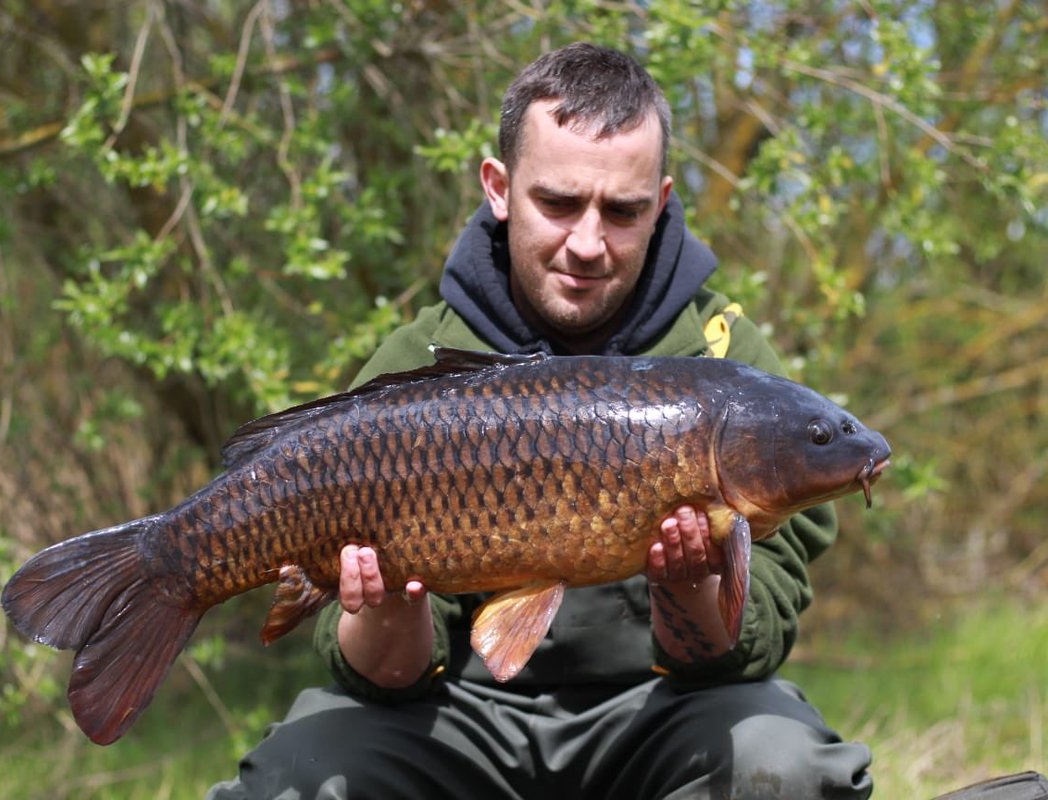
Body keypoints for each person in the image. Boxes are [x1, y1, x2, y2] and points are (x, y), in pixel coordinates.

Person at [208, 42, 873, 799]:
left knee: (783, 766)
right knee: (294, 777)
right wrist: (390, 603)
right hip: (454, 717)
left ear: (659, 203)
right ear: (499, 187)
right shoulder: (419, 359)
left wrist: (692, 589)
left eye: (621, 212)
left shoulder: (729, 366)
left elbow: (754, 654)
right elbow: (374, 678)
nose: (587, 244)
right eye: (557, 203)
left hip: (657, 716)